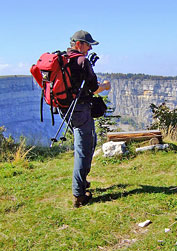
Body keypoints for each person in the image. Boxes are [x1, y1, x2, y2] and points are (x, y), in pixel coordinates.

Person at [63, 30, 111, 208]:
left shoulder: (63, 60)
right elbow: (93, 88)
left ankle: (81, 180)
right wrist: (105, 86)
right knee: (84, 148)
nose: (90, 48)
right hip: (80, 110)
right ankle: (79, 194)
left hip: (64, 109)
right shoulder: (82, 62)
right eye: (88, 44)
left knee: (89, 142)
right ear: (78, 44)